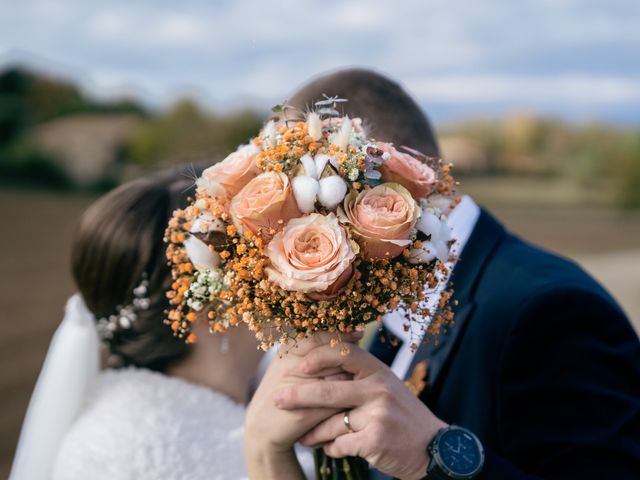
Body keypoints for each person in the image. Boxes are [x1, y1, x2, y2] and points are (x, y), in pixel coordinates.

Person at [245, 69, 640, 479]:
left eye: (300, 199)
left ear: (378, 176)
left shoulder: (551, 310)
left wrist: (434, 454)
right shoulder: (393, 304)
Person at [10, 167, 265, 480]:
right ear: (206, 296)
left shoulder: (279, 387)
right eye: (250, 252)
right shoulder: (124, 453)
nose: (270, 269)